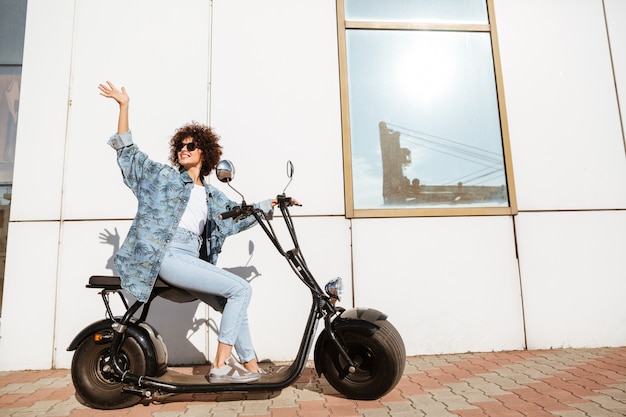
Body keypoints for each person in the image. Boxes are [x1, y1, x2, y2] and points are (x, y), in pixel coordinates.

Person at [99, 80, 275, 383]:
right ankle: (220, 367)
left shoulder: (210, 194)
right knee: (241, 289)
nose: (183, 150)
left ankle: (252, 369)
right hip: (167, 255)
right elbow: (129, 154)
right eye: (180, 146)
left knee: (230, 301)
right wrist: (124, 106)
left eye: (190, 146)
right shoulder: (164, 177)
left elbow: (236, 218)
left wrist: (270, 204)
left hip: (190, 258)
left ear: (204, 152)